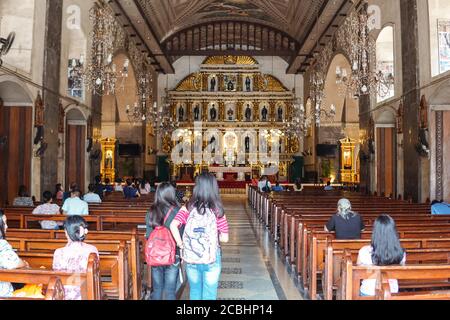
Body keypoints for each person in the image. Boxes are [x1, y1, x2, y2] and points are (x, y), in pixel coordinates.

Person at [170, 173, 229, 300]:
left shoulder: (188, 207)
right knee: (210, 294)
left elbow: (173, 225)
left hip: (191, 256)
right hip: (212, 256)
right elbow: (225, 238)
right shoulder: (218, 210)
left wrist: (181, 245)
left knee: (195, 291)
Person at [145, 182, 182, 300]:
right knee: (170, 291)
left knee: (157, 289)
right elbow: (181, 234)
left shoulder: (151, 211)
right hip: (173, 254)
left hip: (156, 254)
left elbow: (149, 235)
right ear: (172, 194)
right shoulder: (177, 211)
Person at [357, 214, 406, 296]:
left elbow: (359, 274)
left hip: (368, 292)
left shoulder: (364, 251)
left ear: (375, 232)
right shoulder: (401, 252)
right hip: (392, 292)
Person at [52, 216, 99, 300]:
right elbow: (96, 275)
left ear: (66, 232)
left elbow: (57, 277)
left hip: (64, 294)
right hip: (87, 292)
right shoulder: (92, 249)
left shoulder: (59, 252)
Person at [0, 210, 30, 298]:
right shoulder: (2, 244)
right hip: (2, 292)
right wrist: (24, 263)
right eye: (4, 223)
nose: (7, 226)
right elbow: (13, 263)